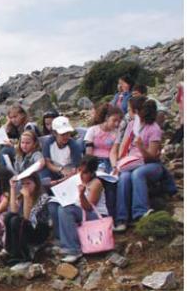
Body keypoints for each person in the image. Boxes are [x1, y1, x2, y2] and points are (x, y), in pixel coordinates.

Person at [113, 97, 164, 232]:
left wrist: (141, 147)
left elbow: (152, 157)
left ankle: (140, 213)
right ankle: (122, 219)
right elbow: (124, 145)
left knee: (137, 174)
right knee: (123, 178)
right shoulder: (131, 125)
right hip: (133, 161)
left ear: (136, 111)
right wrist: (120, 162)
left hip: (150, 164)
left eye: (129, 110)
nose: (127, 112)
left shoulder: (154, 129)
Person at [52, 156, 108, 263]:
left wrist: (81, 194)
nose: (81, 175)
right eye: (80, 171)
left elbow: (89, 207)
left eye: (85, 172)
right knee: (55, 207)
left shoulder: (96, 183)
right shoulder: (77, 178)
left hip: (95, 216)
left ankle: (73, 250)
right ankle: (62, 239)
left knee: (66, 210)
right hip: (80, 211)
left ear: (92, 173)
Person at [3, 171, 51, 265]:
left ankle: (23, 256)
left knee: (16, 221)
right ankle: (11, 251)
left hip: (38, 231)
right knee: (9, 217)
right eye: (23, 184)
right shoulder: (23, 196)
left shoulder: (43, 197)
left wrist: (27, 198)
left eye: (28, 183)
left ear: (36, 184)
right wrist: (12, 188)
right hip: (27, 228)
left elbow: (27, 218)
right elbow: (13, 211)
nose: (25, 186)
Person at [42, 116, 82, 186]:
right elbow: (48, 163)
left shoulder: (74, 145)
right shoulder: (48, 143)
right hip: (55, 171)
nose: (66, 136)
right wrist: (60, 169)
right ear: (54, 133)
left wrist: (59, 181)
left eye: (68, 133)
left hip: (68, 174)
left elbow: (76, 169)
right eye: (63, 134)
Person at [85, 103, 123, 173]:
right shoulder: (92, 130)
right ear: (107, 118)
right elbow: (89, 152)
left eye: (119, 122)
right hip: (94, 160)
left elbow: (113, 152)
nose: (117, 124)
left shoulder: (117, 133)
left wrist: (114, 167)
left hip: (108, 161)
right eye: (114, 120)